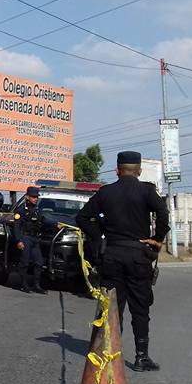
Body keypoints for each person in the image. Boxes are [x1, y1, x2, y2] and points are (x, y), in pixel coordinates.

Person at [76, 150, 170, 372]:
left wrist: (101, 235)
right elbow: (163, 215)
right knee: (140, 308)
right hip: (139, 256)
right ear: (138, 170)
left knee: (111, 308)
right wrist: (156, 240)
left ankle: (106, 354)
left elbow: (82, 218)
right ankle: (141, 356)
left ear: (117, 170)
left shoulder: (106, 193)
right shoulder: (147, 190)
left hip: (113, 256)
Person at [12, 185, 46, 294]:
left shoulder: (37, 209)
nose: (35, 198)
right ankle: (24, 284)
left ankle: (36, 285)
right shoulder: (20, 210)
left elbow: (44, 221)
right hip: (25, 238)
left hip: (35, 238)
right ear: (27, 197)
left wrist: (57, 225)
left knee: (39, 262)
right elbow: (16, 226)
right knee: (25, 262)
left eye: (36, 197)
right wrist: (19, 240)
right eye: (33, 197)